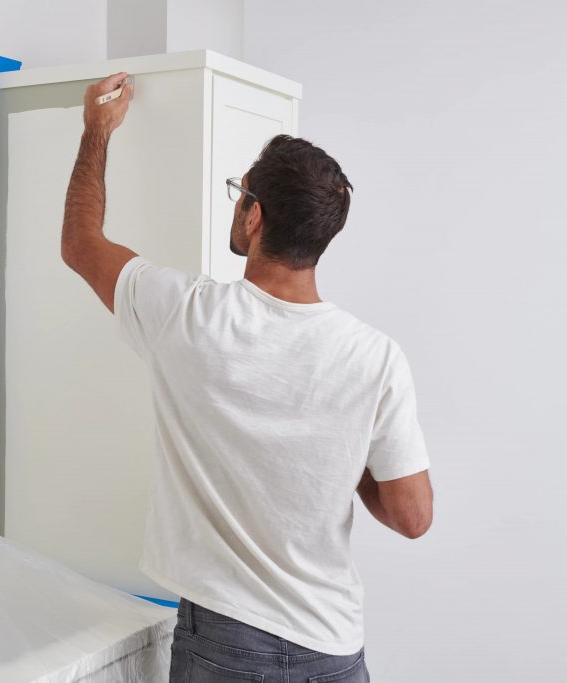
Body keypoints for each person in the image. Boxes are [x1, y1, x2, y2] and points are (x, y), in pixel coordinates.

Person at [61, 72, 433, 682]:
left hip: (222, 644)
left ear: (254, 215)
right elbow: (411, 517)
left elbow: (80, 242)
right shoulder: (374, 357)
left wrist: (97, 130)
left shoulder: (185, 313)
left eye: (239, 193)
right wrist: (343, 447)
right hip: (332, 647)